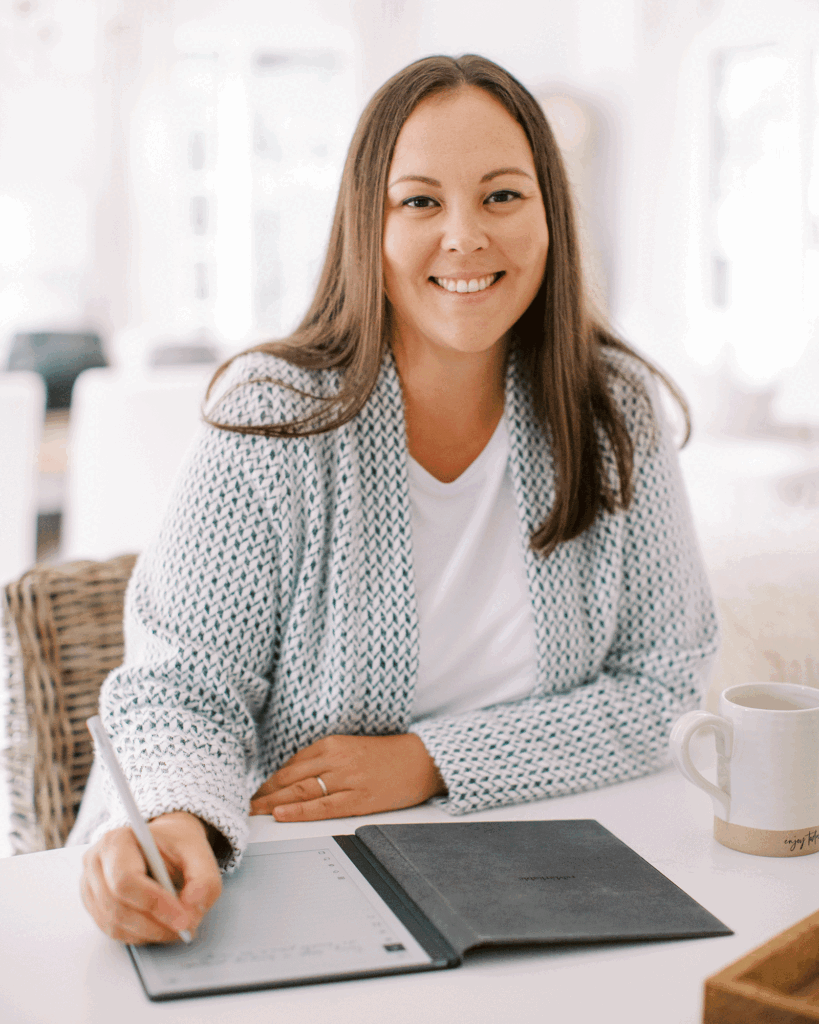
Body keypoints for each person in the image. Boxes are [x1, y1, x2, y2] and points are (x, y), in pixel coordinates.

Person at [78, 53, 718, 945]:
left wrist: (430, 762)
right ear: (365, 225)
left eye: (501, 196)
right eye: (419, 201)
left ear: (550, 216)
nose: (464, 235)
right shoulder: (271, 418)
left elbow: (666, 685)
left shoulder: (613, 409)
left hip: (545, 878)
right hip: (281, 873)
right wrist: (176, 819)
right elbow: (180, 691)